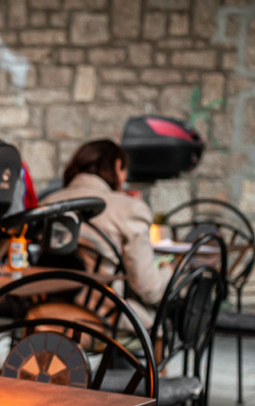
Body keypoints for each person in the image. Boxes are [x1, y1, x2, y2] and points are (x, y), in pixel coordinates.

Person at [41, 139, 171, 327]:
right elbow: (148, 289)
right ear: (118, 166)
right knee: (161, 327)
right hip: (103, 315)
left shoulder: (47, 204)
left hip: (44, 310)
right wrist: (168, 271)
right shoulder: (130, 209)